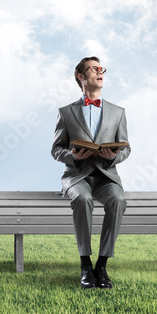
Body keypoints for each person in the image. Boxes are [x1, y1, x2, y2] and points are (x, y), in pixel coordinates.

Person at [51, 56, 130, 289]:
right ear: (81, 76)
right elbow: (56, 150)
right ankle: (85, 265)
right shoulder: (66, 112)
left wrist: (114, 156)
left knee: (118, 199)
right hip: (77, 175)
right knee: (83, 198)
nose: (100, 72)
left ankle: (102, 265)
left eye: (101, 68)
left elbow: (127, 147)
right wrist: (73, 156)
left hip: (106, 175)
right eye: (94, 68)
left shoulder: (118, 112)